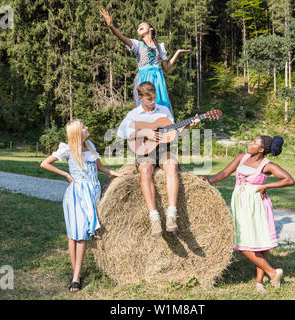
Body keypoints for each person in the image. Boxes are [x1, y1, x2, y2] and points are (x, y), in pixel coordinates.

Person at [40, 119, 128, 292]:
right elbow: (44, 163)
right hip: (77, 194)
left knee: (79, 235)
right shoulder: (68, 148)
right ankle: (76, 278)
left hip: (92, 192)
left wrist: (117, 174)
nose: (87, 128)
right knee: (77, 236)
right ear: (77, 132)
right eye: (84, 127)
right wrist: (65, 173)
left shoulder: (90, 145)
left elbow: (101, 168)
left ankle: (76, 273)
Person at [199, 136, 295, 293]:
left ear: (261, 150)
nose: (249, 144)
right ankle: (272, 273)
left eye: (253, 143)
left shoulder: (267, 165)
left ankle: (260, 282)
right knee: (242, 239)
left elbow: (289, 180)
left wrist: (267, 185)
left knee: (260, 242)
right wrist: (209, 181)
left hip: (257, 204)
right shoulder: (241, 158)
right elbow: (225, 173)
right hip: (240, 203)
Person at [117, 81, 200, 237]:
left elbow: (174, 134)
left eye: (154, 97)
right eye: (149, 99)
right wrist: (144, 133)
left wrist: (188, 126)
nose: (153, 101)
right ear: (140, 97)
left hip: (163, 150)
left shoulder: (164, 111)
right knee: (145, 169)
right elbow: (122, 133)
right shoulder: (134, 114)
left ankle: (171, 215)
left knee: (172, 165)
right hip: (144, 151)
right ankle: (154, 217)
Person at [100, 8, 189, 114]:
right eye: (138, 27)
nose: (139, 26)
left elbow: (167, 68)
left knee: (160, 108)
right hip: (143, 79)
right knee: (144, 109)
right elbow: (122, 38)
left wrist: (177, 52)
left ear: (151, 29)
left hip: (157, 81)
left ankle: (163, 128)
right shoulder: (137, 45)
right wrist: (111, 26)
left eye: (142, 25)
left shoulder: (160, 47)